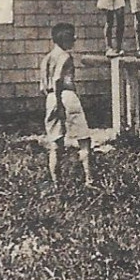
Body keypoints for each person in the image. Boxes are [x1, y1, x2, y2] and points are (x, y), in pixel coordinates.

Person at [40, 21, 95, 187]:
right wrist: (60, 102)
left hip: (50, 98)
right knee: (84, 140)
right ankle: (89, 180)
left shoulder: (45, 59)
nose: (75, 39)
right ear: (64, 39)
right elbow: (58, 79)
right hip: (65, 95)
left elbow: (43, 86)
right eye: (72, 37)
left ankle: (57, 184)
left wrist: (54, 101)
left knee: (55, 144)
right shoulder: (65, 56)